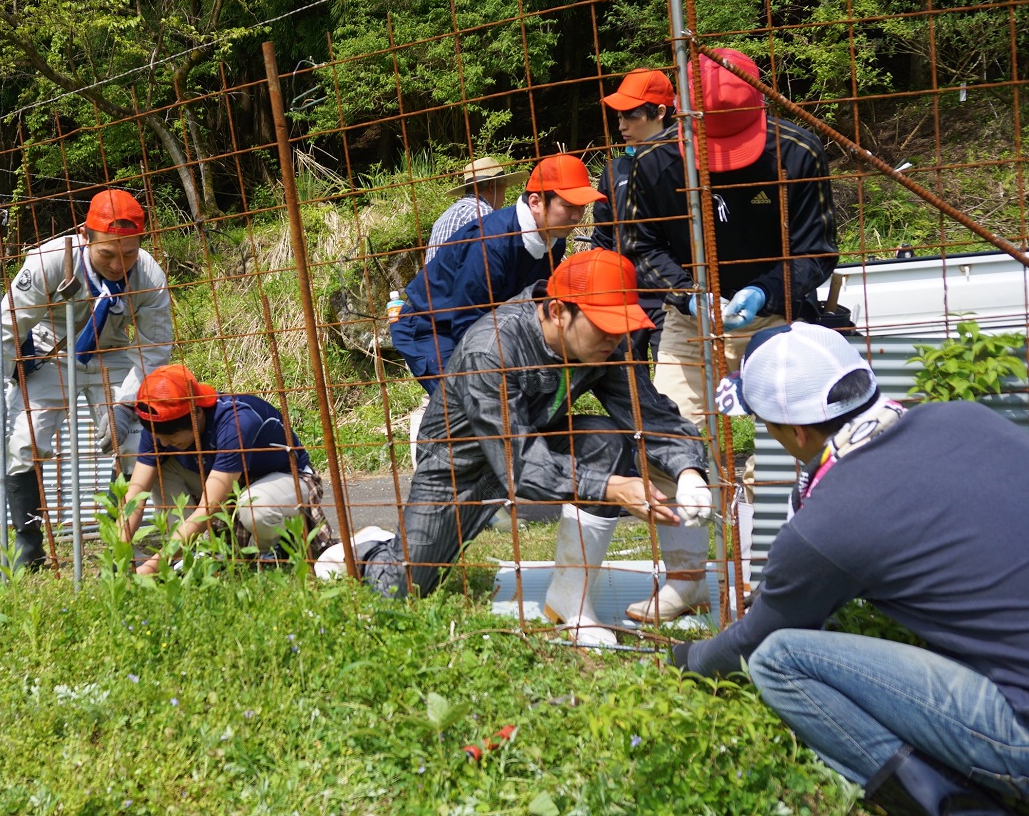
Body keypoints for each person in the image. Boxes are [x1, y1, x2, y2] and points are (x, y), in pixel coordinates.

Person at [672, 322, 1029, 814]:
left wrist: (687, 660)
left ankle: (961, 807)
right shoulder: (966, 418)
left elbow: (753, 640)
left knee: (778, 658)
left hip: (1022, 733)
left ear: (795, 430)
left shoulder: (829, 521)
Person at [333, 249, 712, 647]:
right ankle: (366, 549)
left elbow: (647, 413)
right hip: (458, 469)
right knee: (398, 590)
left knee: (604, 440)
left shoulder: (603, 345)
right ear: (557, 311)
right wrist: (612, 489)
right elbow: (519, 469)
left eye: (622, 326)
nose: (615, 337)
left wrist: (689, 473)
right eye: (604, 326)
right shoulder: (491, 349)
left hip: (532, 443)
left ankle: (570, 601)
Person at [621, 48, 838, 621]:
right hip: (689, 321)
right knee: (669, 440)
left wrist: (766, 291)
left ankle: (770, 583)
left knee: (776, 452)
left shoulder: (797, 153)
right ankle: (687, 579)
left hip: (774, 318)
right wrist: (687, 293)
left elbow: (817, 251)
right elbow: (640, 248)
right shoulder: (654, 164)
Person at [0, 189, 173, 572]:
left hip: (113, 352)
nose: (119, 264)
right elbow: (10, 323)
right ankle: (27, 549)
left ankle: (121, 543)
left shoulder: (148, 275)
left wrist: (125, 405)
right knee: (23, 441)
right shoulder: (48, 262)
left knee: (135, 444)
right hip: (54, 351)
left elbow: (154, 348)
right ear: (86, 235)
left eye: (128, 253)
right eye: (107, 254)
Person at [391, 153, 603, 396]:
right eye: (568, 206)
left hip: (482, 323)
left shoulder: (554, 239)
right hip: (434, 327)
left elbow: (532, 303)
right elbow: (467, 319)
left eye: (581, 206)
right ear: (535, 202)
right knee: (466, 403)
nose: (577, 216)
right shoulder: (492, 243)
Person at [118, 364, 332, 575]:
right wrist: (119, 558)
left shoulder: (236, 421)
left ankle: (274, 554)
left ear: (197, 414)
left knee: (254, 507)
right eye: (159, 438)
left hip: (285, 478)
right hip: (230, 482)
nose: (163, 443)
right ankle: (185, 555)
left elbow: (208, 508)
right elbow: (135, 496)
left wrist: (151, 567)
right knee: (158, 470)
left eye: (172, 437)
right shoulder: (158, 423)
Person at [591, 68, 677, 363]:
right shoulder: (615, 170)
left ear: (660, 112)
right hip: (625, 296)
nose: (622, 124)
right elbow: (602, 235)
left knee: (673, 382)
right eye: (618, 116)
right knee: (631, 387)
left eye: (630, 115)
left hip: (674, 295)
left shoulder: (686, 165)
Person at [424, 156, 528, 263]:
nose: (504, 197)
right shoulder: (482, 212)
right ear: (492, 187)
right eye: (504, 188)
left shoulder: (445, 216)